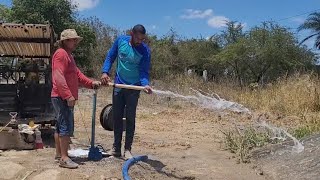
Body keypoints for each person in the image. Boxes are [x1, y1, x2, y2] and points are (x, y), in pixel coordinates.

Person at [101, 24, 152, 159]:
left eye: (142, 39)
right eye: (137, 38)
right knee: (116, 117)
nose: (139, 41)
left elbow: (143, 72)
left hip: (133, 88)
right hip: (118, 84)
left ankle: (127, 149)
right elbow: (110, 57)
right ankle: (116, 148)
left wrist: (145, 85)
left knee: (130, 118)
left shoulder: (145, 51)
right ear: (131, 33)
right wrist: (105, 72)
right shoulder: (120, 41)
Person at [51, 29, 101, 168]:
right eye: (73, 40)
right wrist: (68, 95)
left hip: (62, 96)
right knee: (65, 126)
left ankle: (59, 154)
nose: (75, 42)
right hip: (61, 97)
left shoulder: (69, 56)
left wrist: (91, 83)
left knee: (60, 126)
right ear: (66, 41)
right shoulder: (61, 54)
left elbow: (78, 75)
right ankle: (64, 158)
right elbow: (58, 76)